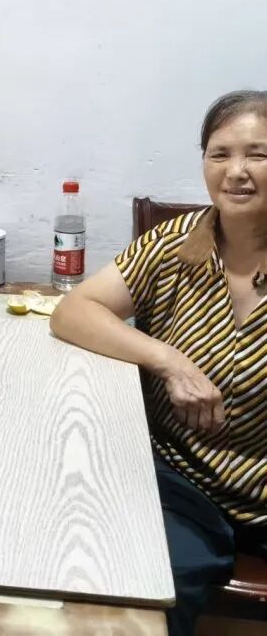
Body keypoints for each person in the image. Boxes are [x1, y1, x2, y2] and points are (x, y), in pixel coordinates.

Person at [50, 90, 267, 635]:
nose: (236, 172)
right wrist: (168, 360)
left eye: (258, 154)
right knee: (134, 592)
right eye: (220, 154)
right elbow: (74, 309)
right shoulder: (173, 242)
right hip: (178, 479)